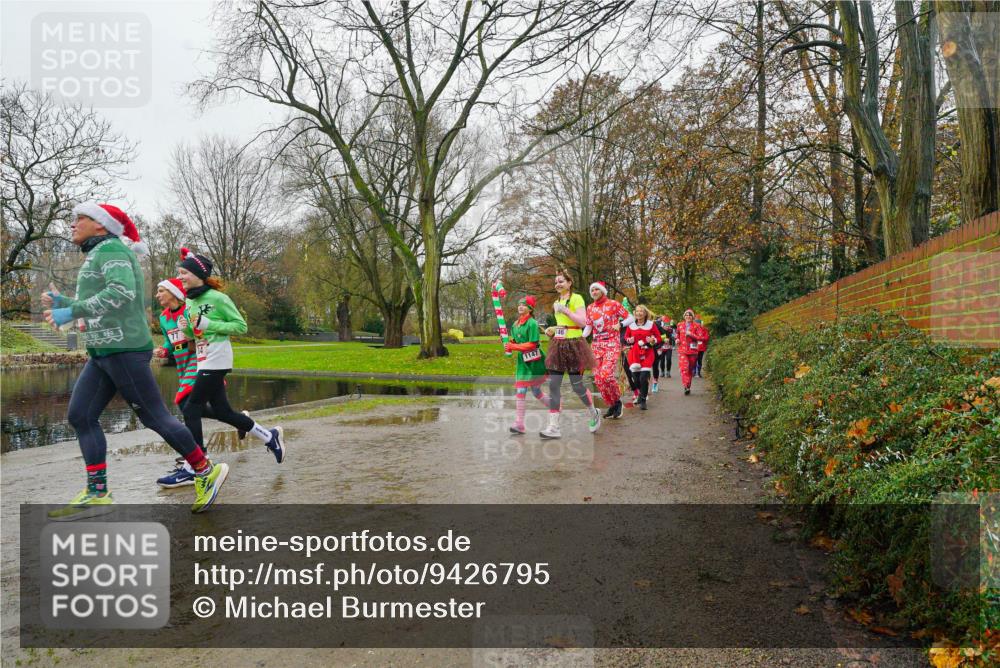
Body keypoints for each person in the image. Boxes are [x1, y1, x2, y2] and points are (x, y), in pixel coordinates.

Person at [41, 202, 228, 519]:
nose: (72, 225)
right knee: (81, 415)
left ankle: (205, 470)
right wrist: (64, 303)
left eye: (79, 219)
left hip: (124, 347)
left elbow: (121, 293)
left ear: (100, 225)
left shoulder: (112, 251)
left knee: (155, 417)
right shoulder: (98, 254)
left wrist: (70, 311)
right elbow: (99, 303)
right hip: (103, 351)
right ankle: (98, 492)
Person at [175, 248, 286, 463]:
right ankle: (270, 436)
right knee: (224, 412)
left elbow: (241, 326)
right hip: (203, 359)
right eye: (179, 274)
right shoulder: (189, 301)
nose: (180, 277)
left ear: (198, 275)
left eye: (183, 273)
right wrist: (186, 328)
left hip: (217, 358)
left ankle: (198, 463)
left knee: (191, 409)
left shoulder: (218, 298)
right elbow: (196, 333)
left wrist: (210, 323)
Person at [541, 268, 600, 439]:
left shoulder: (577, 298)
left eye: (561, 281)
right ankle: (553, 426)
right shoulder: (556, 301)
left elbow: (582, 322)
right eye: (556, 282)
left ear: (569, 283)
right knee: (553, 384)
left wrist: (566, 310)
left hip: (575, 345)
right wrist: (552, 329)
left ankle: (593, 412)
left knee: (577, 385)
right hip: (558, 346)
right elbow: (563, 325)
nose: (557, 284)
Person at [583, 281, 633, 419]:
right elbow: (588, 327)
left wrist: (620, 324)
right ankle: (612, 404)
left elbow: (630, 318)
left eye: (596, 290)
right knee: (598, 379)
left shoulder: (613, 304)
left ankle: (617, 401)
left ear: (602, 291)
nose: (594, 292)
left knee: (606, 375)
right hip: (596, 345)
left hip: (611, 343)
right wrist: (579, 338)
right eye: (592, 290)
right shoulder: (590, 308)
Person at [504, 296, 552, 434]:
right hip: (522, 363)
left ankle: (554, 406)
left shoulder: (532, 324)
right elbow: (513, 340)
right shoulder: (515, 324)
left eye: (524, 305)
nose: (520, 306)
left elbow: (533, 344)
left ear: (530, 309)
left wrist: (514, 346)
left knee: (536, 392)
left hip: (535, 361)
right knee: (521, 390)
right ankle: (519, 424)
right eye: (519, 304)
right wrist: (508, 344)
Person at [624, 305, 662, 410]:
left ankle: (643, 400)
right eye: (637, 311)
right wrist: (629, 340)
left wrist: (652, 340)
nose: (639, 313)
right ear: (634, 313)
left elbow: (659, 338)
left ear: (645, 313)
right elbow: (626, 337)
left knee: (643, 376)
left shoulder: (651, 324)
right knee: (635, 378)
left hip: (647, 352)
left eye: (641, 311)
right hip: (634, 354)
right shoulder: (630, 325)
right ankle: (640, 394)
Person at [676, 309, 708, 395]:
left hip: (693, 351)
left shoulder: (697, 326)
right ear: (684, 316)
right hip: (682, 350)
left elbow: (701, 337)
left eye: (690, 315)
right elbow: (677, 334)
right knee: (684, 368)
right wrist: (677, 340)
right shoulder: (680, 325)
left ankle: (688, 385)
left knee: (690, 369)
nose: (688, 317)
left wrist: (691, 334)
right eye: (686, 315)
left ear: (692, 317)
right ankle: (685, 385)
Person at [651, 313, 675, 391]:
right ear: (663, 325)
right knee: (661, 360)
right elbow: (657, 337)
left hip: (668, 348)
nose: (667, 327)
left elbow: (673, 338)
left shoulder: (670, 331)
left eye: (668, 326)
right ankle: (662, 371)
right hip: (661, 347)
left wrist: (671, 339)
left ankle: (668, 371)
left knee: (668, 359)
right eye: (666, 325)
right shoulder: (659, 329)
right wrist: (663, 339)